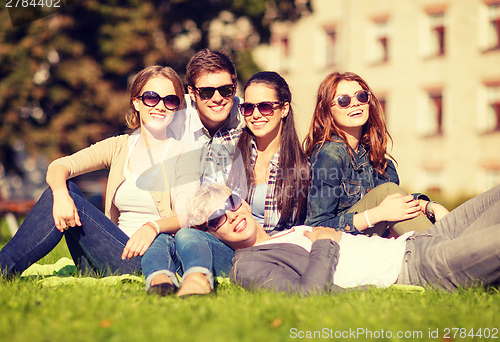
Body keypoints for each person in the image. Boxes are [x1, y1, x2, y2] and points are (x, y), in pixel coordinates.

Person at [0, 65, 200, 283]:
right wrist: (60, 194)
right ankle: (4, 266)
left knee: (71, 199)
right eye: (151, 97)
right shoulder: (120, 147)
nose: (160, 106)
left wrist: (153, 227)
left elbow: (189, 216)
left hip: (149, 261)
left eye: (170, 100)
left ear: (178, 107)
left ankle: (4, 266)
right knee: (65, 190)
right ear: (136, 102)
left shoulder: (183, 153)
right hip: (108, 252)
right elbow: (59, 166)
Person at [188, 183, 500, 294]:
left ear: (242, 201)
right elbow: (306, 296)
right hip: (418, 268)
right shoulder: (247, 266)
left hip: (421, 240)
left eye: (230, 203)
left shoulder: (287, 230)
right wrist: (325, 242)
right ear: (212, 231)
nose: (230, 216)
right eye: (216, 218)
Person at [169, 71, 310, 296]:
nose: (255, 115)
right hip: (231, 250)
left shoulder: (302, 165)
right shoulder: (226, 146)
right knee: (185, 236)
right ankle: (196, 282)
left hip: (277, 257)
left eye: (265, 107)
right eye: (248, 107)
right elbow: (207, 205)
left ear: (284, 109)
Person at [140, 49, 246, 296]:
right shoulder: (173, 123)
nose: (217, 98)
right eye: (207, 92)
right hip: (182, 225)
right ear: (192, 93)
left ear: (235, 87)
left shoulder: (251, 118)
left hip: (234, 229)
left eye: (226, 90)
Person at [303, 71, 447, 237]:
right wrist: (377, 214)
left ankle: (447, 247)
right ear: (327, 110)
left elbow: (397, 204)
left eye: (361, 96)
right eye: (344, 100)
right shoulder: (330, 154)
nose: (355, 103)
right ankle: (442, 250)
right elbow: (315, 226)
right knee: (387, 192)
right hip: (339, 246)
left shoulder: (376, 158)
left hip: (372, 242)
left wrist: (429, 206)